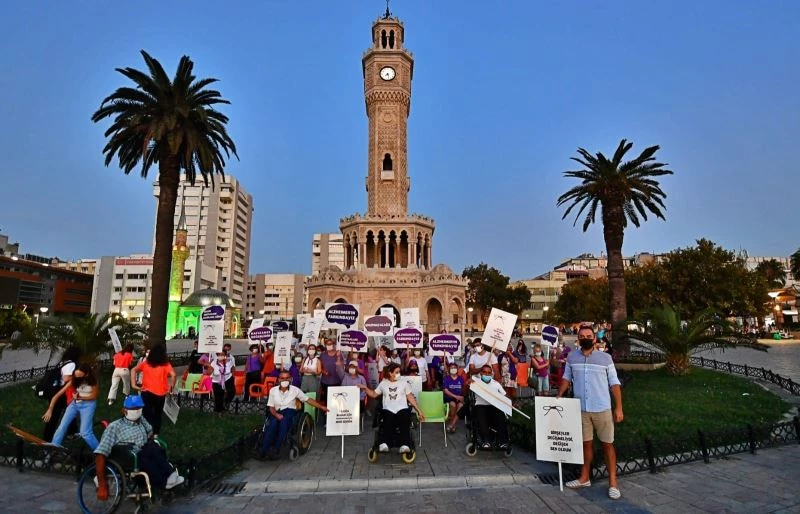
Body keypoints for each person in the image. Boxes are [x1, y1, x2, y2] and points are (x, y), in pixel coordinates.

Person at [557, 323, 624, 500]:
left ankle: (613, 483)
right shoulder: (572, 357)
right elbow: (566, 378)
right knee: (586, 444)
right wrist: (559, 395)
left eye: (589, 336)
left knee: (607, 445)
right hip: (581, 409)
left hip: (602, 408)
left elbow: (614, 384)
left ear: (594, 339)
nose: (585, 339)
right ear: (578, 339)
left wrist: (619, 408)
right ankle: (584, 478)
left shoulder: (605, 359)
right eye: (582, 337)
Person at [94, 395, 184, 501]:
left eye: (138, 408)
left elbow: (150, 432)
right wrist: (102, 484)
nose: (136, 411)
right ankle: (166, 481)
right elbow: (101, 453)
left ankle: (170, 476)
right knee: (147, 453)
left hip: (143, 450)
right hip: (128, 456)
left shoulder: (141, 420)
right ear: (124, 410)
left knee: (154, 447)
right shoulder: (115, 427)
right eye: (133, 409)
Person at [256, 370, 329, 460]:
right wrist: (276, 415)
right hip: (276, 412)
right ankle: (263, 451)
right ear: (279, 379)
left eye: (287, 378)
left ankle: (276, 449)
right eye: (282, 378)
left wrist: (321, 407)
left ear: (290, 379)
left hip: (290, 412)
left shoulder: (295, 390)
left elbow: (308, 400)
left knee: (284, 422)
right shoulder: (273, 391)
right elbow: (271, 407)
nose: (284, 380)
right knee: (272, 424)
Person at [359, 363, 424, 453]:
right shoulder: (384, 383)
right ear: (390, 373)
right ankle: (384, 443)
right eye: (396, 372)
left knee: (405, 418)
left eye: (399, 372)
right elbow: (374, 394)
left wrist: (419, 411)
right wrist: (365, 388)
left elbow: (410, 397)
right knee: (387, 418)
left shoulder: (404, 383)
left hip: (402, 408)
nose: (398, 374)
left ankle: (404, 444)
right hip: (388, 409)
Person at [43, 363, 99, 450]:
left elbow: (94, 396)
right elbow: (57, 395)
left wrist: (80, 397)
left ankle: (100, 453)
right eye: (75, 375)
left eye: (79, 376)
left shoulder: (93, 382)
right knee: (62, 427)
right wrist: (50, 409)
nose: (76, 377)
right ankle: (54, 449)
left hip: (88, 405)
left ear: (86, 374)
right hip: (74, 404)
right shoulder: (74, 380)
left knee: (85, 432)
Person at [131, 344, 175, 436]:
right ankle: (156, 434)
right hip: (160, 394)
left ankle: (147, 432)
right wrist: (171, 388)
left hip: (146, 393)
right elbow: (173, 375)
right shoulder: (166, 364)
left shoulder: (146, 363)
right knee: (158, 414)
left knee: (147, 414)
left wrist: (134, 384)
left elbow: (133, 370)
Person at [42, 346, 81, 441]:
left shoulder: (63, 362)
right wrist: (78, 377)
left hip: (56, 391)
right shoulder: (71, 364)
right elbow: (66, 378)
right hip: (60, 393)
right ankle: (47, 440)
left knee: (70, 411)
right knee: (54, 417)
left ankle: (72, 432)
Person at [472, 364, 509, 450]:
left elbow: (505, 396)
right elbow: (466, 388)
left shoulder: (496, 384)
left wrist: (508, 403)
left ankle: (502, 442)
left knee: (501, 414)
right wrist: (468, 383)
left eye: (489, 373)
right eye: (484, 372)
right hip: (480, 406)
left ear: (491, 374)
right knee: (481, 415)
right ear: (481, 373)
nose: (486, 374)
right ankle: (486, 441)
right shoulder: (476, 382)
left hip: (493, 406)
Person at [442, 363, 465, 433]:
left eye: (455, 367)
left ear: (457, 369)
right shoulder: (447, 378)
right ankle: (452, 423)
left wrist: (462, 397)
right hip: (449, 397)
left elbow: (463, 390)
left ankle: (452, 424)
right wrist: (456, 396)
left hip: (459, 398)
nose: (453, 369)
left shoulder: (461, 378)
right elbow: (445, 390)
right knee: (453, 404)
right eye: (451, 368)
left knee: (460, 405)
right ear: (449, 369)